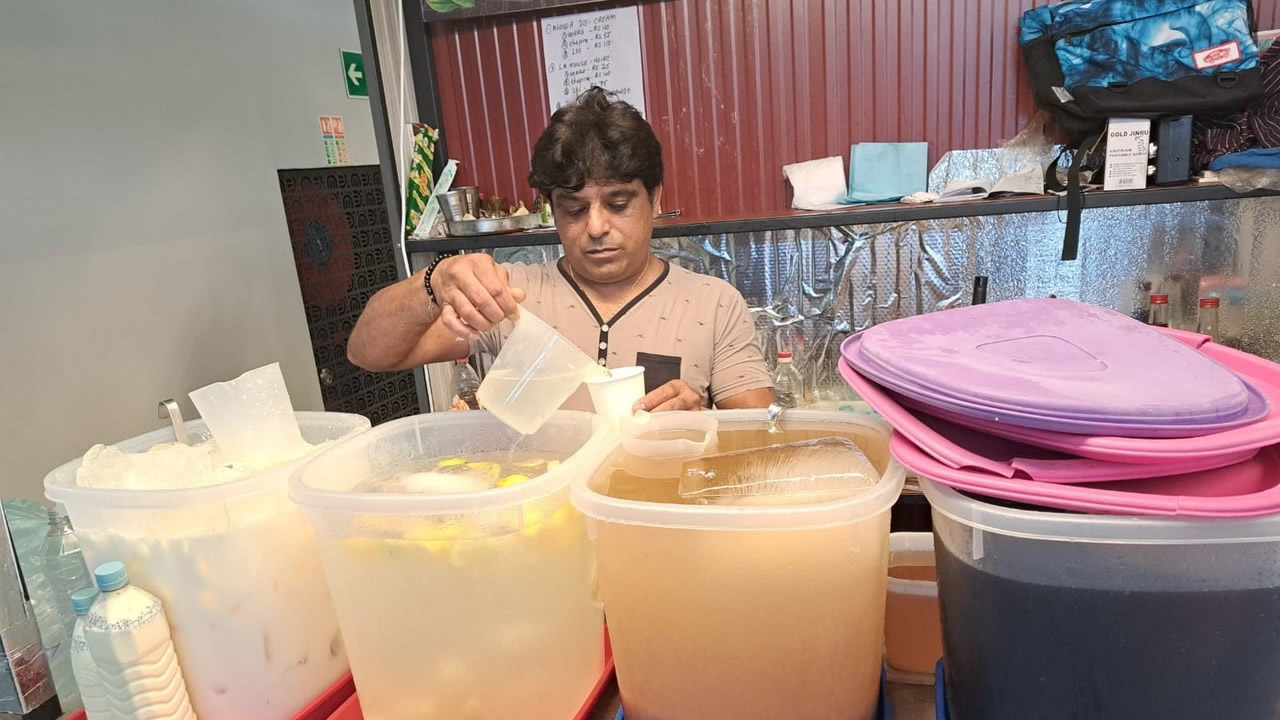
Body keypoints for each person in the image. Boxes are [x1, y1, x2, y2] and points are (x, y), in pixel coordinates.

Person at [348, 87, 774, 412]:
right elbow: (367, 353)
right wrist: (435, 281)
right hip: (538, 522)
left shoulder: (713, 305)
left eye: (618, 204)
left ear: (656, 198)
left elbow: (758, 443)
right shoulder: (507, 298)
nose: (596, 227)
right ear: (551, 209)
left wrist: (704, 423)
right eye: (573, 209)